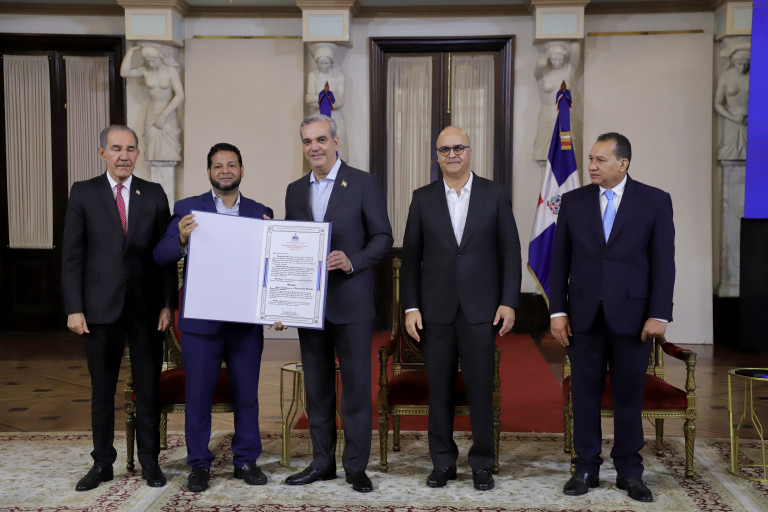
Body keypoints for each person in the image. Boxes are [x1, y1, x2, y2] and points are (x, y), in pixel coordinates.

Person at [549, 132, 675, 503]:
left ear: (623, 163)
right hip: (583, 317)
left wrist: (659, 314)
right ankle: (586, 467)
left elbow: (664, 262)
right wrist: (558, 310)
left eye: (600, 160)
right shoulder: (573, 201)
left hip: (634, 318)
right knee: (584, 394)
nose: (592, 165)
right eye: (591, 158)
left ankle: (629, 471)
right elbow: (559, 261)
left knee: (628, 396)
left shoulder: (654, 200)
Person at [400, 125, 522, 491]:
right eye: (444, 149)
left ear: (470, 152)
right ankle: (443, 462)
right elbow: (411, 259)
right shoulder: (422, 198)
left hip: (481, 310)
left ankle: (482, 463)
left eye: (458, 148)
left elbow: (510, 253)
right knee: (439, 390)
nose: (451, 155)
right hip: (434, 311)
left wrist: (508, 301)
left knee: (480, 389)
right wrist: (410, 307)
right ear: (436, 156)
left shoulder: (494, 194)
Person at [278, 114, 393, 493]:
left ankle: (356, 467)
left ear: (336, 142)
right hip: (309, 307)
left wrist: (352, 260)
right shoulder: (295, 190)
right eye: (308, 141)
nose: (315, 147)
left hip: (352, 303)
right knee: (317, 389)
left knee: (356, 389)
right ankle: (322, 463)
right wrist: (282, 300)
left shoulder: (362, 183)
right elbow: (291, 246)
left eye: (321, 140)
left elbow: (383, 237)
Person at [153, 143, 273, 493]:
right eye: (218, 166)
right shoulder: (187, 209)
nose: (225, 171)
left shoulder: (260, 212)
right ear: (208, 172)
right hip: (202, 324)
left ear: (242, 170)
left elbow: (272, 264)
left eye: (231, 165)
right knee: (199, 396)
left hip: (245, 322)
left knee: (247, 394)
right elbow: (160, 255)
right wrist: (180, 237)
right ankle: (199, 464)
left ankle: (246, 460)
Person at [62, 124, 176, 491]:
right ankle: (102, 462)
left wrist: (167, 304)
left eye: (129, 149)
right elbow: (72, 256)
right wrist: (74, 308)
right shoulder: (83, 193)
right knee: (102, 389)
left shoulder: (154, 194)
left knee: (148, 388)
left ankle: (149, 461)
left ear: (137, 154)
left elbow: (165, 256)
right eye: (116, 149)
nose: (123, 156)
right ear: (102, 154)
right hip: (98, 309)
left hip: (146, 308)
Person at [120, 44, 184, 162]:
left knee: (169, 149)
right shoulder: (145, 70)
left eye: (153, 60)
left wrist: (164, 115)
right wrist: (131, 51)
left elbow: (180, 95)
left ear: (160, 57)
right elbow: (124, 73)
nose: (151, 64)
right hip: (152, 110)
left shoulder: (170, 71)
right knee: (152, 149)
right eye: (148, 61)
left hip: (167, 111)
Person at [533, 41, 580, 161]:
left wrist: (571, 36)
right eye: (554, 59)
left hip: (564, 115)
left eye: (560, 59)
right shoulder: (543, 72)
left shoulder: (569, 70)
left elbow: (576, 48)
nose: (557, 62)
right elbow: (538, 68)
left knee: (565, 155)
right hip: (546, 114)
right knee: (543, 155)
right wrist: (543, 57)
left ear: (565, 58)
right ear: (549, 58)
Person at [305, 44, 348, 162]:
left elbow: (340, 101)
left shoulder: (339, 75)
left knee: (337, 142)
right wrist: (329, 97)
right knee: (317, 144)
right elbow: (309, 100)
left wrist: (317, 98)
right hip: (318, 115)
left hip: (336, 116)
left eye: (326, 63)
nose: (323, 66)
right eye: (321, 63)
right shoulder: (313, 75)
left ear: (331, 62)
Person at [714, 44, 750, 161]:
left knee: (753, 155)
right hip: (731, 122)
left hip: (749, 122)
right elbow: (718, 104)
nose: (743, 67)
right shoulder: (726, 76)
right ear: (734, 62)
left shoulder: (755, 76)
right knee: (729, 156)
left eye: (746, 64)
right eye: (739, 64)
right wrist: (733, 118)